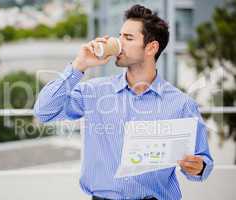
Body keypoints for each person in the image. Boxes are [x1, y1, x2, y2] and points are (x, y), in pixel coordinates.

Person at [34, 4, 213, 200]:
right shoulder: (94, 91)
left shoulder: (181, 104)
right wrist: (79, 64)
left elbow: (203, 161)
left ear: (151, 47)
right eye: (120, 36)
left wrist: (197, 167)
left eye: (128, 38)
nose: (119, 43)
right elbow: (44, 111)